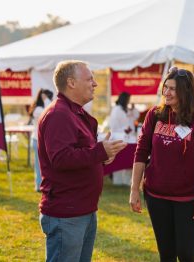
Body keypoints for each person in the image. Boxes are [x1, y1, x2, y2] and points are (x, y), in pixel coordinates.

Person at [38, 60, 127, 262]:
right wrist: (98, 152)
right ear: (71, 82)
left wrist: (101, 157)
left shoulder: (72, 112)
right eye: (89, 79)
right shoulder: (59, 114)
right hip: (67, 212)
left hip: (80, 209)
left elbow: (78, 153)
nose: (94, 84)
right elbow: (60, 158)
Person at [130, 66, 194, 262]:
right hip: (156, 196)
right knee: (166, 254)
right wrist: (134, 189)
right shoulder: (155, 115)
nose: (166, 93)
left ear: (185, 91)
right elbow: (141, 151)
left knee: (187, 254)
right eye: (165, 87)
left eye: (172, 89)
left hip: (187, 199)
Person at [28, 88, 53, 192]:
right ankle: (38, 185)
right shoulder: (38, 110)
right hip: (37, 140)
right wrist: (46, 99)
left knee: (44, 165)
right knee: (39, 166)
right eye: (49, 98)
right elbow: (50, 111)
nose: (51, 100)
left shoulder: (40, 108)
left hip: (41, 140)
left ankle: (43, 184)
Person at [109, 92, 133, 185]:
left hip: (125, 138)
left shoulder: (123, 109)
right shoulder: (116, 110)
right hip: (118, 138)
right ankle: (118, 182)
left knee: (126, 160)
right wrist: (125, 131)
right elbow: (114, 126)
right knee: (119, 161)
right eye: (128, 100)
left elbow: (127, 123)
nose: (128, 102)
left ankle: (126, 181)